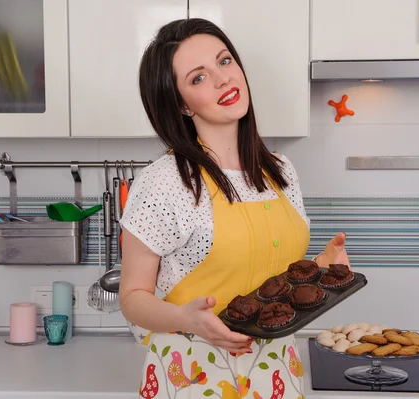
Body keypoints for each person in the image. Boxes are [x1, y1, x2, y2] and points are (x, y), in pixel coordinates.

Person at [119, 18, 351, 399]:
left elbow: (276, 282)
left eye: (224, 61)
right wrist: (183, 318)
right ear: (180, 104)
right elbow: (132, 298)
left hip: (276, 372)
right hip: (193, 377)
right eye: (198, 77)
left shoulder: (280, 170)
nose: (223, 79)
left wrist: (324, 267)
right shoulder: (165, 182)